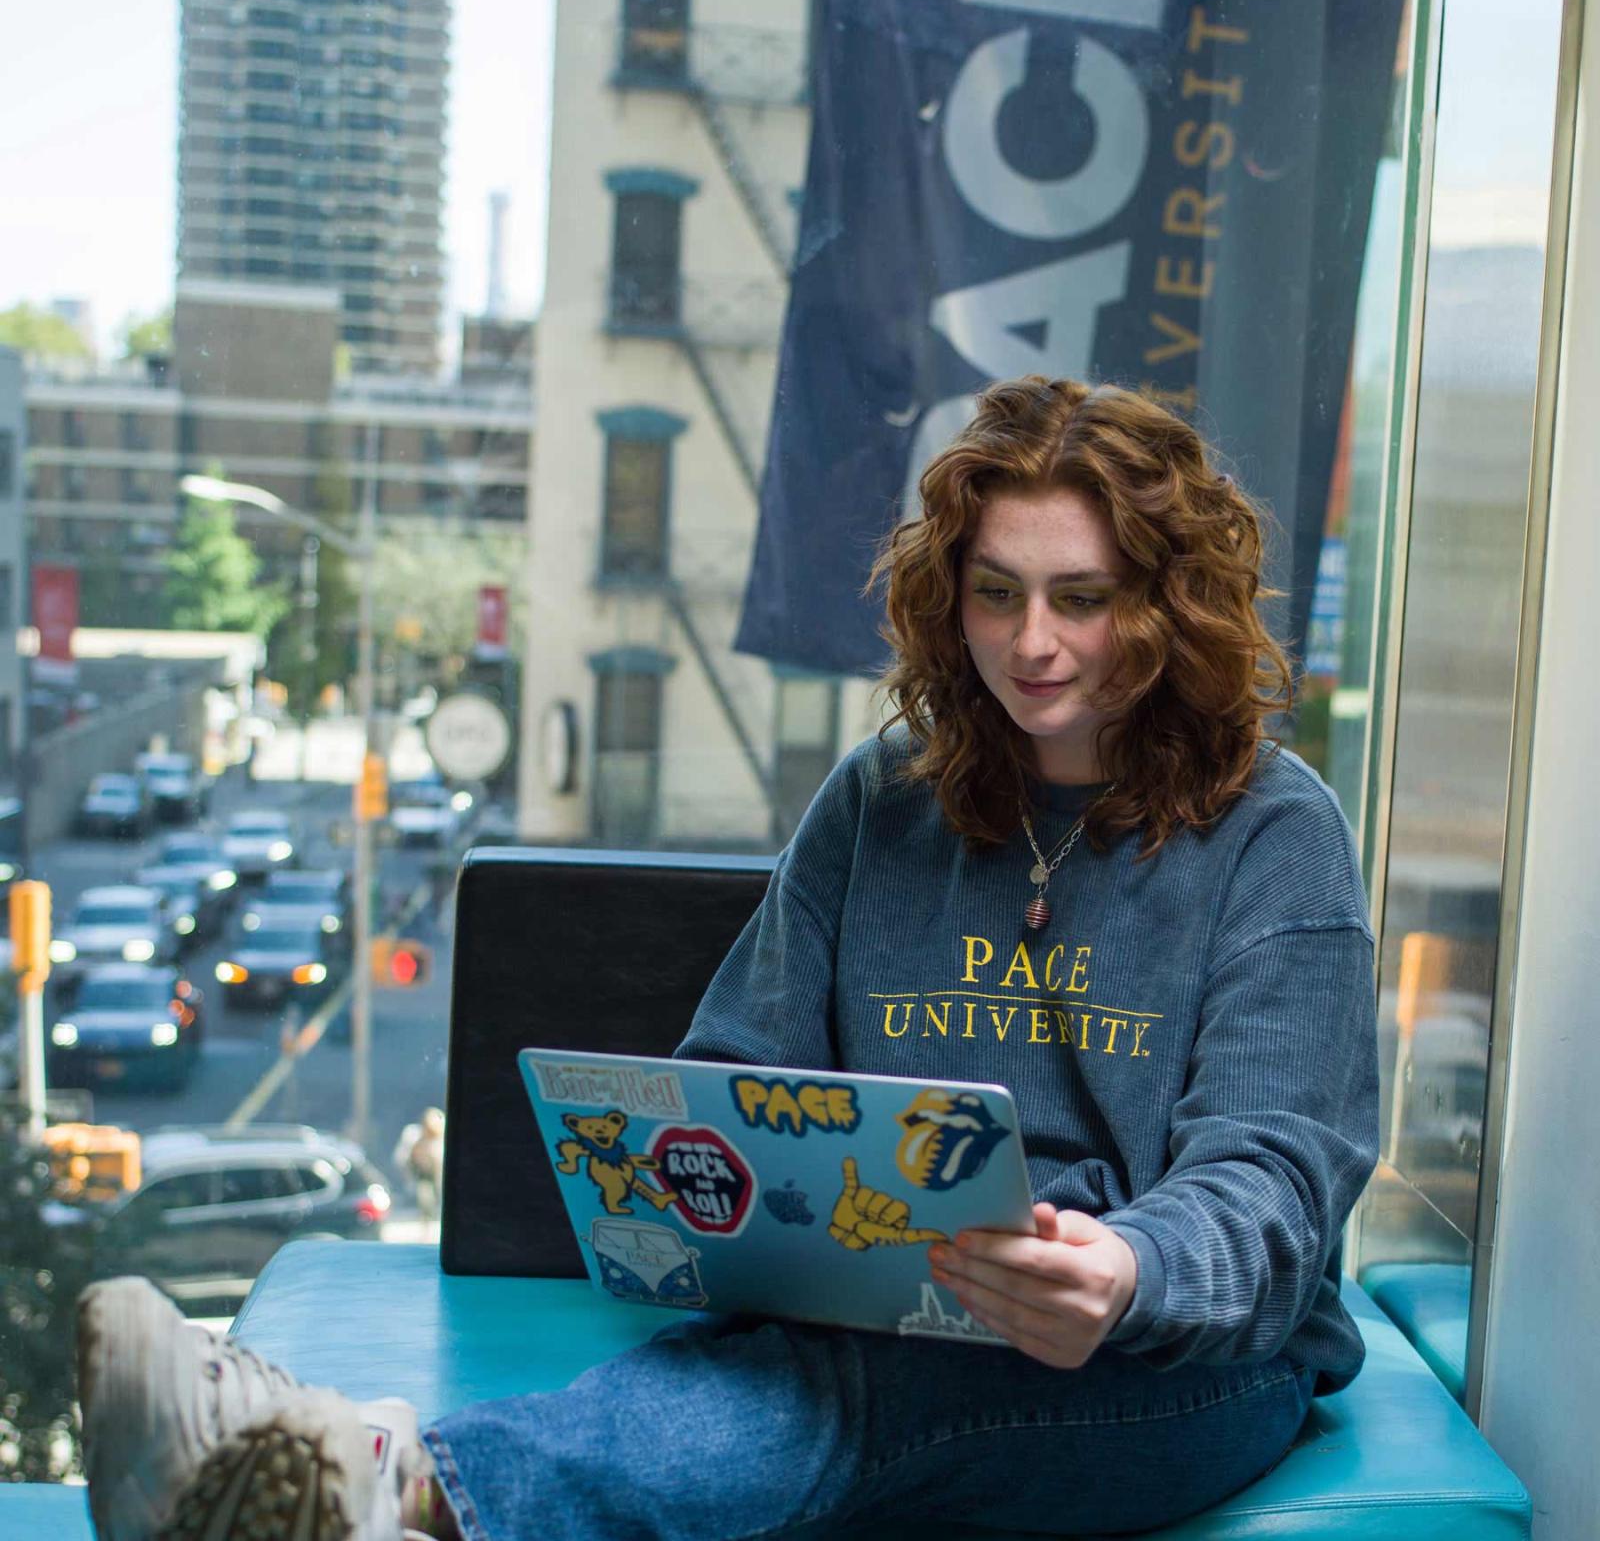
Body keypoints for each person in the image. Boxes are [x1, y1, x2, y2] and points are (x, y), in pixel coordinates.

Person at [76, 377, 1379, 1541]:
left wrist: (1125, 1268)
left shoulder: (1272, 830)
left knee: (839, 1396)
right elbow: (743, 1075)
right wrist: (715, 1195)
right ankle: (361, 1494)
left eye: (1082, 599)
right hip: (886, 1309)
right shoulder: (883, 799)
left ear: (1162, 605)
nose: (1032, 643)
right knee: (779, 1369)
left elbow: (1272, 1183)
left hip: (1176, 1360)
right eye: (997, 592)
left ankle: (393, 1490)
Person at [392, 1106, 446, 1231]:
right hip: (421, 1176)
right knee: (425, 1201)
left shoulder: (440, 1140)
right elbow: (401, 1158)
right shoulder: (413, 1135)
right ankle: (426, 1226)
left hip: (438, 1178)